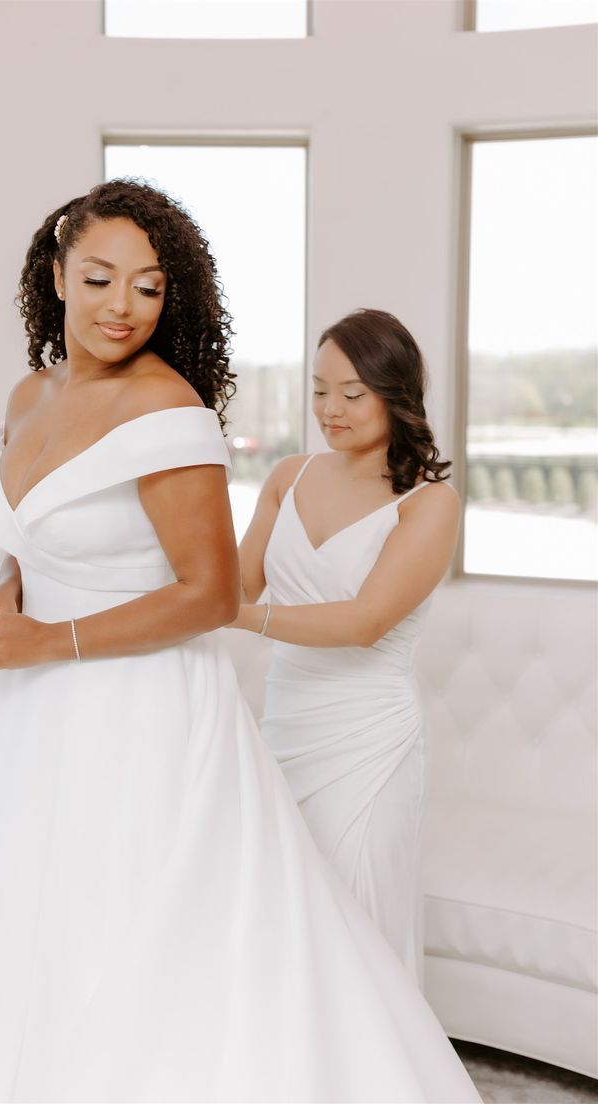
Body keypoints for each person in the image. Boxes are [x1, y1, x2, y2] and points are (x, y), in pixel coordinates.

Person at [0, 185, 478, 1103]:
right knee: (12, 929)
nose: (123, 306)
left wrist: (48, 638)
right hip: (21, 711)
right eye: (102, 279)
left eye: (148, 288)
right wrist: (1, 595)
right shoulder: (29, 394)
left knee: (140, 936)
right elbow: (39, 539)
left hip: (137, 707)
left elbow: (210, 594)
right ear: (56, 277)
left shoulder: (169, 410)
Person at [231, 309, 461, 978]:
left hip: (368, 739)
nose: (330, 409)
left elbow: (364, 622)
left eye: (352, 394)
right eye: (319, 390)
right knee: (282, 907)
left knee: (356, 913)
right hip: (286, 723)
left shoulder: (428, 503)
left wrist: (238, 618)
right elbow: (237, 585)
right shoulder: (288, 477)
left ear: (396, 394)